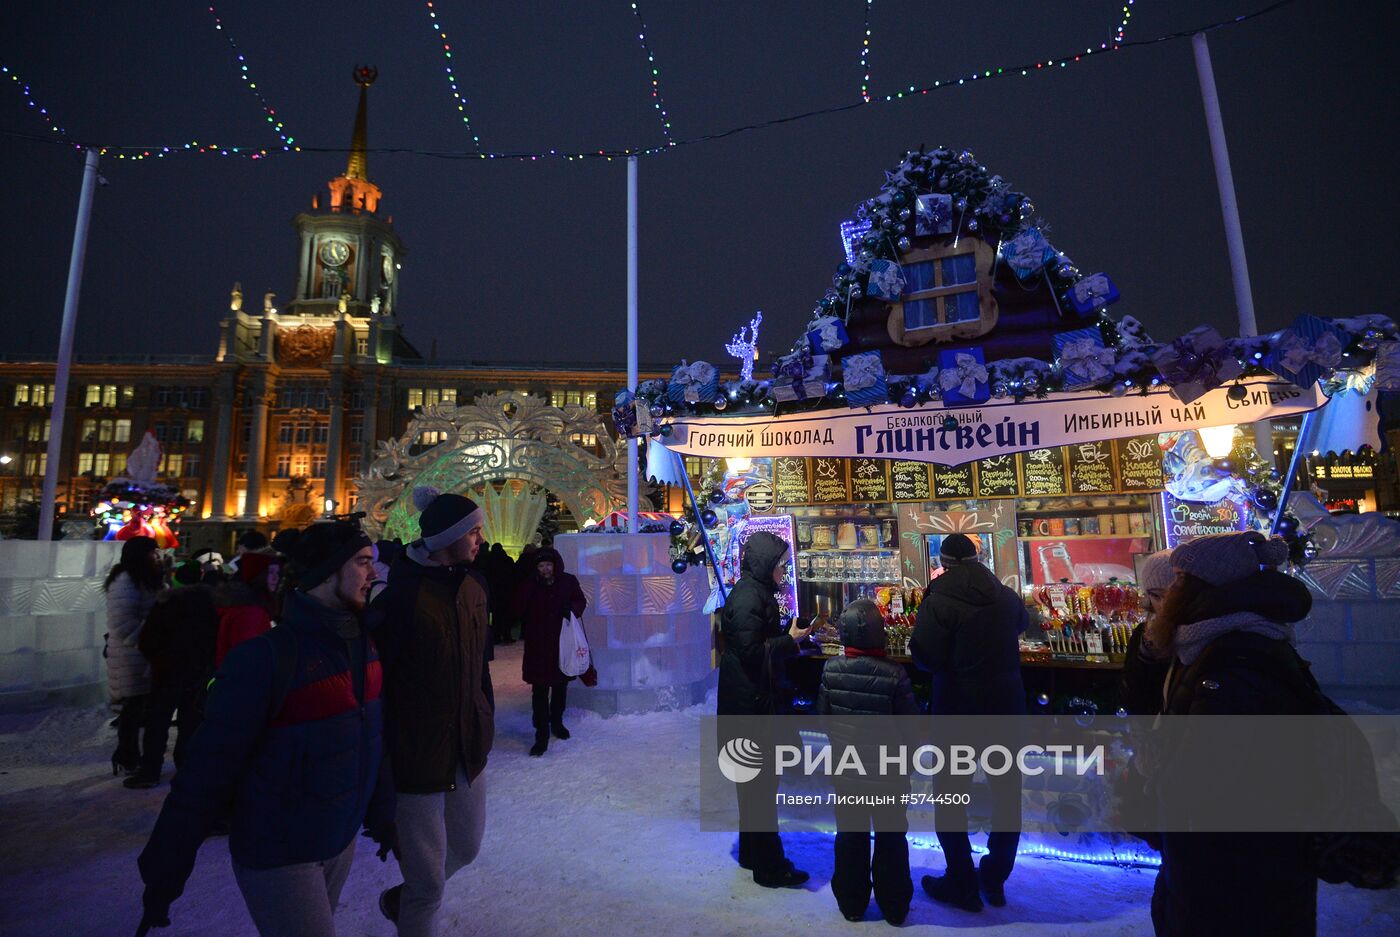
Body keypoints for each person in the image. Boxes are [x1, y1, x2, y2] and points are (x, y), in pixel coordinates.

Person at [136, 520, 394, 937]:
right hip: (280, 850)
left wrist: (383, 812)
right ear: (328, 570)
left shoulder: (363, 644)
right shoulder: (266, 658)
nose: (374, 574)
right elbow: (207, 772)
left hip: (337, 839)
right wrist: (166, 870)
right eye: (363, 562)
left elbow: (368, 736)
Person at [1123, 531, 1319, 937]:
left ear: (1198, 588)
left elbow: (1212, 777)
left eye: (1178, 579)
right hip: (1220, 860)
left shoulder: (1233, 659)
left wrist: (1153, 770)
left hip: (1235, 866)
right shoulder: (1212, 644)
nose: (1166, 592)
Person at [367, 488, 493, 937]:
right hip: (415, 757)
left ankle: (402, 899)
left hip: (467, 746)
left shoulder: (475, 587)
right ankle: (415, 903)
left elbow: (480, 668)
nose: (480, 539)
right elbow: (378, 687)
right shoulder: (401, 598)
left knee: (467, 846)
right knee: (428, 885)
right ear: (445, 539)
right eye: (472, 532)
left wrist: (483, 716)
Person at [910, 532, 1026, 912]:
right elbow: (1023, 624)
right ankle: (994, 878)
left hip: (957, 712)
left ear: (943, 562)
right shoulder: (1005, 594)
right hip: (1006, 711)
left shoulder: (940, 599)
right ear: (977, 558)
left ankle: (960, 880)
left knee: (950, 798)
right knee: (1007, 797)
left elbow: (925, 657)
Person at [717, 530, 811, 888]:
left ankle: (752, 853)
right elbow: (752, 652)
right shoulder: (747, 599)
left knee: (753, 787)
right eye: (781, 564)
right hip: (750, 711)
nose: (783, 571)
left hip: (750, 705)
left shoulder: (754, 593)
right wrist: (790, 640)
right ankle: (770, 868)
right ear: (765, 564)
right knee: (758, 788)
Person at [818, 598, 919, 925]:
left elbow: (825, 720)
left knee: (850, 834)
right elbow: (909, 728)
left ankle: (852, 902)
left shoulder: (831, 670)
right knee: (891, 836)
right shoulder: (896, 674)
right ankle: (894, 906)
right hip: (889, 773)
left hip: (848, 770)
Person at [126, 561, 219, 788]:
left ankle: (150, 771)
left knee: (157, 723)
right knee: (191, 723)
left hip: (167, 672)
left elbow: (148, 639)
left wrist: (157, 659)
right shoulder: (213, 603)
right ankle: (186, 768)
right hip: (198, 672)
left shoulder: (166, 603)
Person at [103, 536, 166, 778]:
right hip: (132, 654)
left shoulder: (147, 578)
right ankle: (127, 755)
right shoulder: (125, 579)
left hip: (146, 652)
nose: (157, 557)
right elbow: (122, 623)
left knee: (141, 707)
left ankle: (128, 756)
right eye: (153, 554)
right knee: (133, 709)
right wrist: (151, 635)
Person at [515, 546, 587, 756]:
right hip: (538, 643)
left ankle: (557, 721)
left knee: (560, 686)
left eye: (548, 565)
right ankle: (541, 732)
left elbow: (580, 600)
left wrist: (571, 609)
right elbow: (518, 608)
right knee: (539, 689)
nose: (545, 569)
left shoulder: (568, 581)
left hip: (561, 641)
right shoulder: (530, 584)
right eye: (541, 566)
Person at [214, 548, 281, 667]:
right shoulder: (250, 612)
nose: (275, 578)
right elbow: (247, 657)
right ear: (259, 576)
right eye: (270, 572)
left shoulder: (251, 605)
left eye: (277, 573)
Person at [485, 543, 515, 644]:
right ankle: (507, 636)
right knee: (506, 615)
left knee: (496, 616)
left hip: (494, 591)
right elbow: (513, 575)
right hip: (506, 591)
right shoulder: (508, 560)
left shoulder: (489, 561)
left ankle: (496, 636)